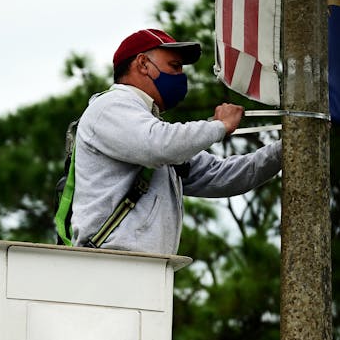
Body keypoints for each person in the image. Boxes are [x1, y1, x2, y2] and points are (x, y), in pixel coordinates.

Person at [69, 28, 282, 255]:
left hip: (140, 268)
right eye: (174, 66)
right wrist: (219, 127)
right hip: (111, 265)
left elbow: (224, 175)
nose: (181, 77)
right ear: (143, 64)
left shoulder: (148, 127)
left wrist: (287, 148)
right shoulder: (111, 106)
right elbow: (158, 144)